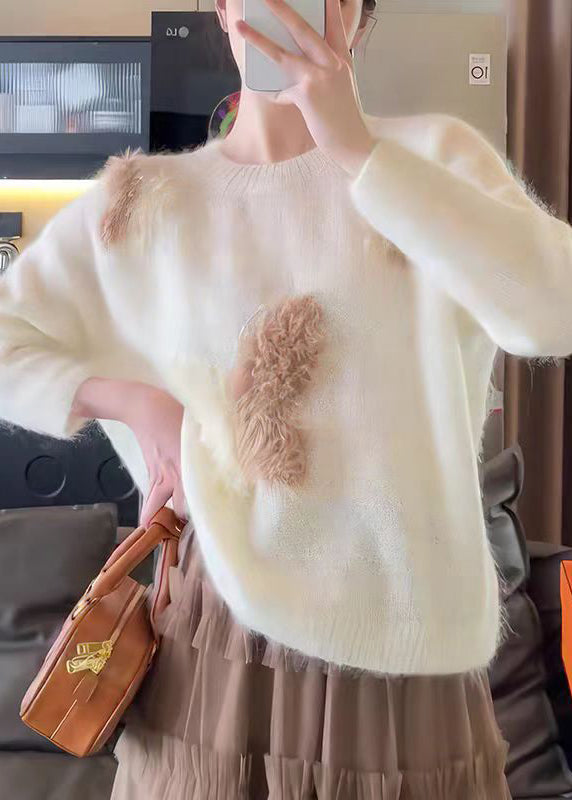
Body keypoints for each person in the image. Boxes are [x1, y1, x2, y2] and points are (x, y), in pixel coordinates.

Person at [2, 0, 572, 796]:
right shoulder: (147, 200)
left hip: (405, 644)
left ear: (358, 20)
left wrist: (356, 150)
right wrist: (135, 403)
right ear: (223, 9)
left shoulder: (430, 157)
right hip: (213, 642)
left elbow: (554, 309)